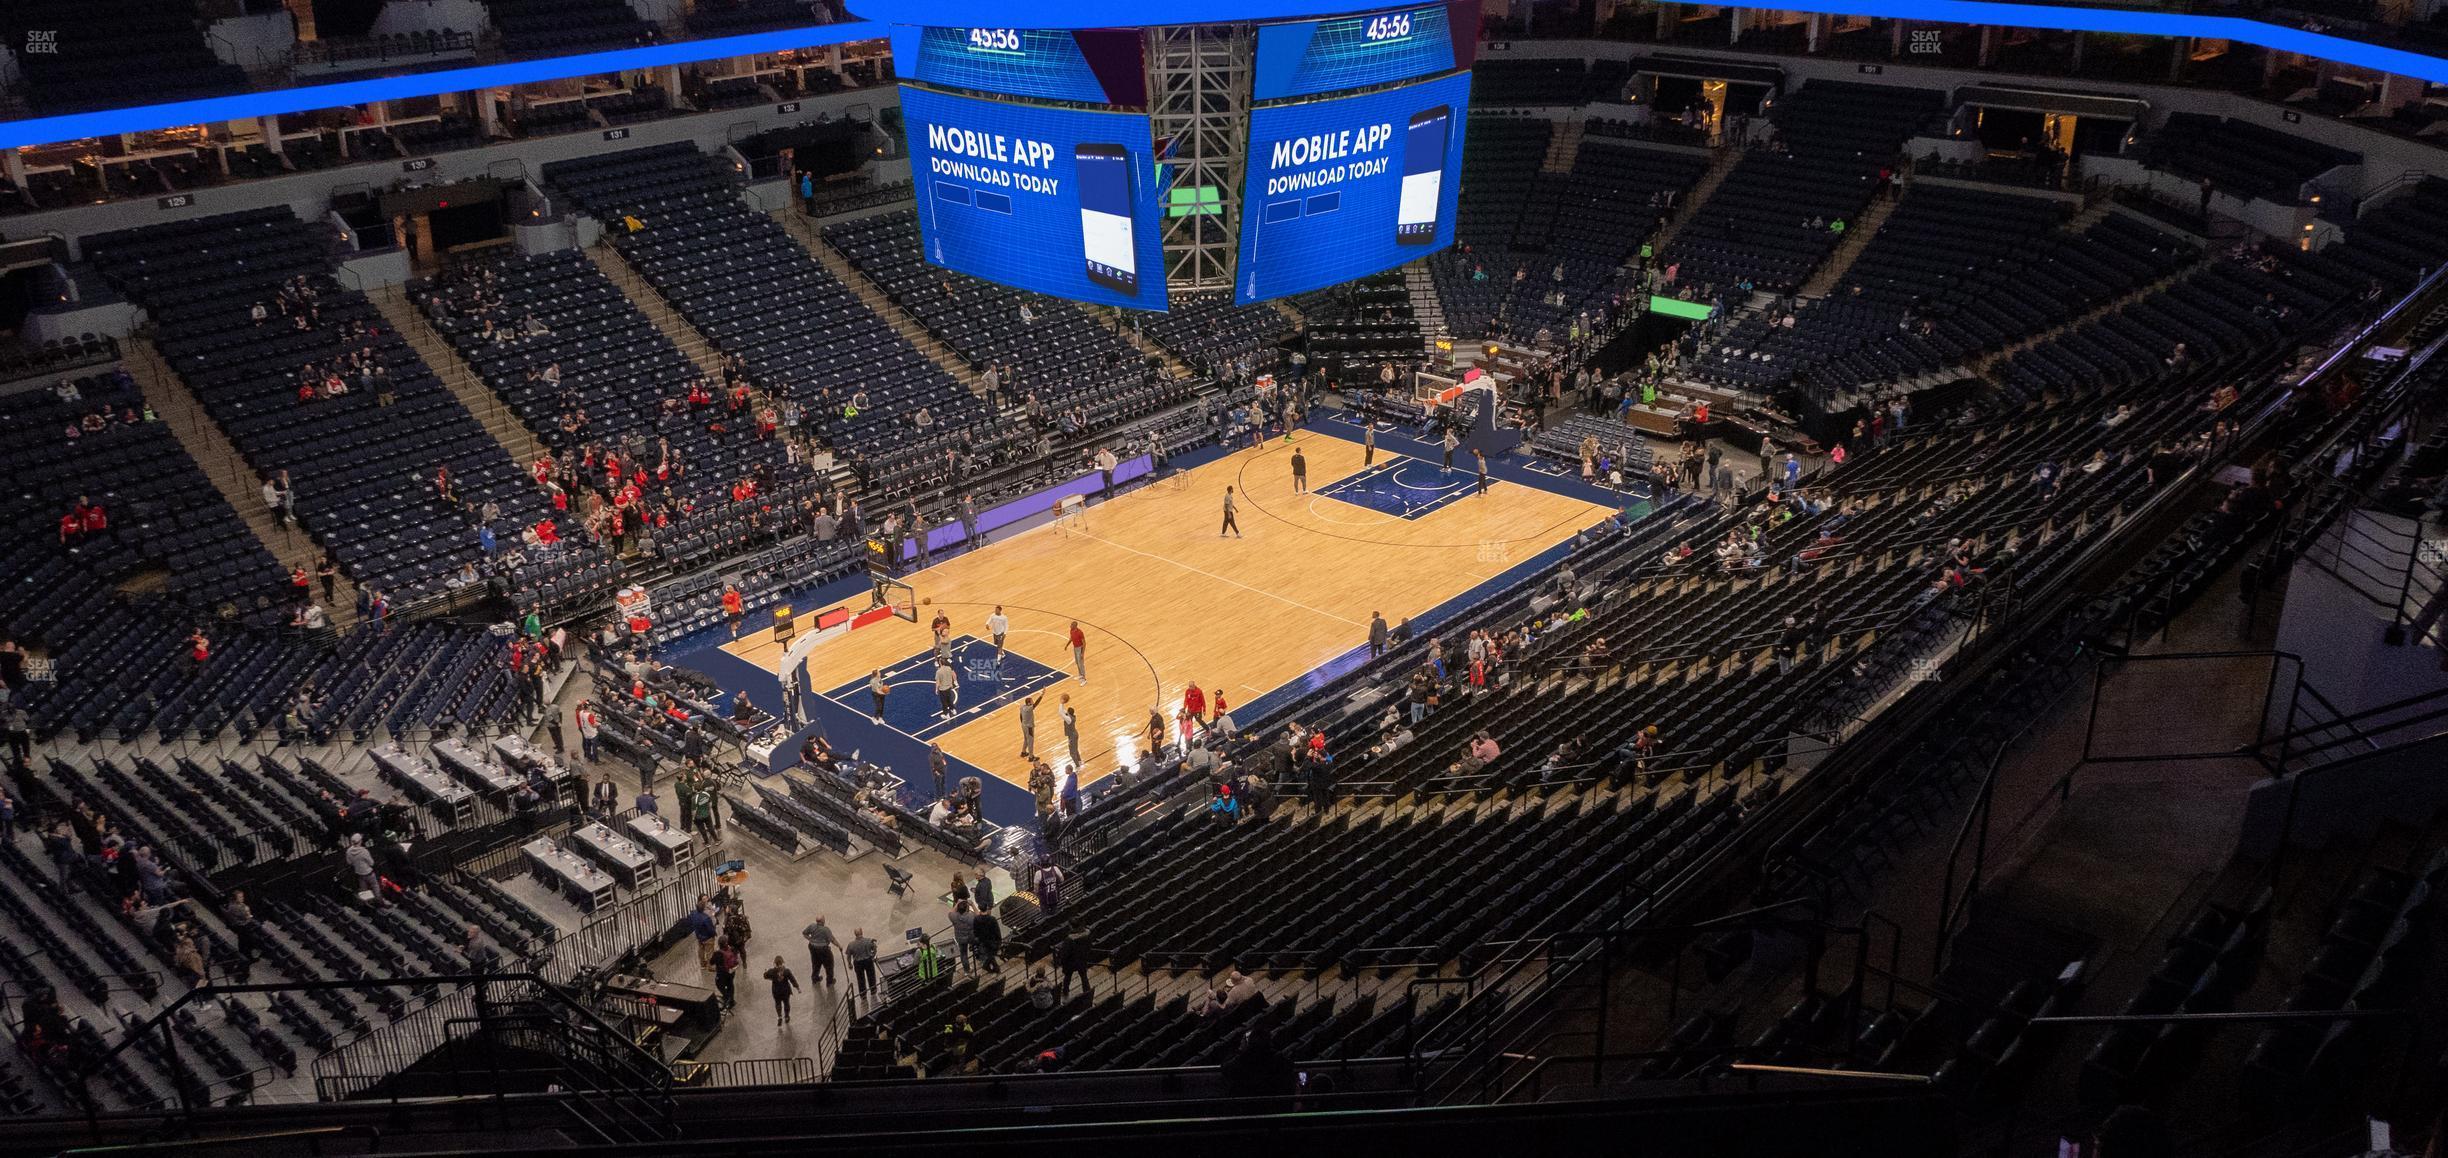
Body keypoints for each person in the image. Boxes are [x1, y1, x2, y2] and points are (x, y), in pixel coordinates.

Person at [763, 956, 801, 1026]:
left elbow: (765, 976)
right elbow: (792, 980)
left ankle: (779, 1017)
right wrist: (797, 988)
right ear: (783, 963)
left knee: (778, 1004)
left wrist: (765, 971)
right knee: (786, 1003)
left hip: (776, 992)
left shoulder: (771, 971)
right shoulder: (786, 971)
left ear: (774, 963)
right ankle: (786, 1016)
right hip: (785, 991)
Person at [1056, 929, 1093, 999]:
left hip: (1071, 962)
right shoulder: (1086, 935)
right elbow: (1089, 946)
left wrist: (1062, 961)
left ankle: (1065, 991)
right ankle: (1087, 992)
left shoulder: (1069, 940)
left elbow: (1065, 953)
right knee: (1084, 976)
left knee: (1068, 977)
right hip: (1082, 959)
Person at [846, 928, 880, 997]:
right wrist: (873, 956)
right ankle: (873, 990)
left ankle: (863, 994)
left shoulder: (851, 944)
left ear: (855, 934)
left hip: (858, 963)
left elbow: (848, 956)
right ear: (862, 932)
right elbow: (875, 948)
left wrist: (849, 964)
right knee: (871, 976)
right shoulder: (868, 941)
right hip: (868, 961)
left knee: (860, 979)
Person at [712, 941, 740, 1011]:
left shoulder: (718, 953)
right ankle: (732, 1001)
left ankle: (728, 999)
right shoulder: (732, 949)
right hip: (731, 972)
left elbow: (711, 962)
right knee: (730, 985)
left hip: (722, 974)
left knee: (719, 985)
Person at [1018, 691, 1042, 760]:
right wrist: (1041, 695)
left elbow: (1020, 716)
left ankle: (1023, 752)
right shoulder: (1029, 708)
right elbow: (1037, 703)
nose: (1033, 702)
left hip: (1023, 725)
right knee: (1030, 741)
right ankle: (1031, 756)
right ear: (1029, 703)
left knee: (1026, 739)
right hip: (1029, 727)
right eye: (1032, 701)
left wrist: (1022, 723)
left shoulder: (1022, 707)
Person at [1060, 694, 1081, 767]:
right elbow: (1063, 711)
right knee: (1075, 750)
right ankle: (1079, 761)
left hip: (1072, 736)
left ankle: (1078, 766)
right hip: (1074, 734)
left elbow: (1061, 713)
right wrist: (1062, 704)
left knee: (1072, 753)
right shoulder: (1071, 716)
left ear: (1068, 713)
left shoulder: (1068, 719)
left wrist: (1061, 703)